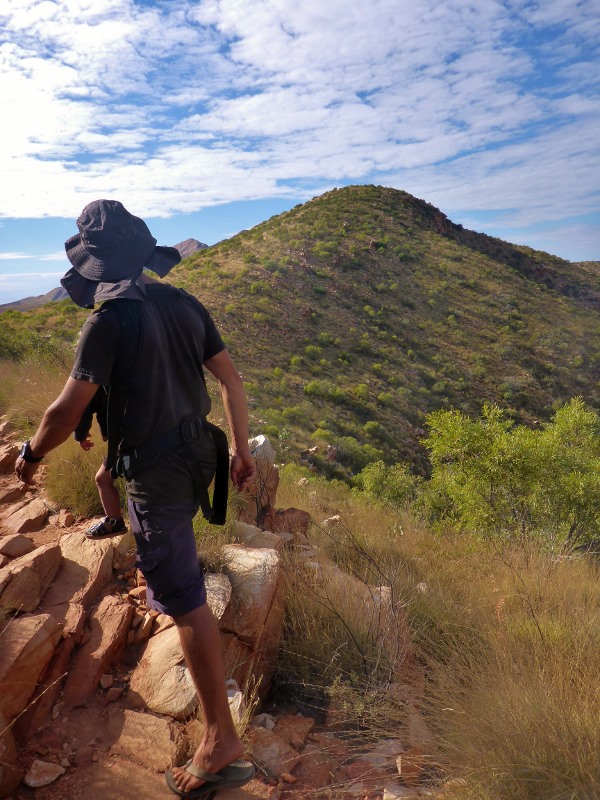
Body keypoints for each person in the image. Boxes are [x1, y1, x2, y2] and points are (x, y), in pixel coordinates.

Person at [15, 199, 257, 799]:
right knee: (176, 577)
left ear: (96, 263)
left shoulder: (109, 320)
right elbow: (230, 379)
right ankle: (180, 615)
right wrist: (243, 451)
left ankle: (220, 738)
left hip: (156, 468)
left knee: (186, 598)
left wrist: (30, 455)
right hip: (197, 454)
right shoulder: (185, 304)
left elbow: (64, 411)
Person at [74, 386, 127, 538]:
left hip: (125, 439)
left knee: (103, 479)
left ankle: (114, 521)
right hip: (160, 433)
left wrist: (81, 435)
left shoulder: (101, 370)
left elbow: (84, 404)